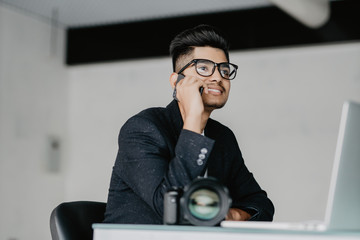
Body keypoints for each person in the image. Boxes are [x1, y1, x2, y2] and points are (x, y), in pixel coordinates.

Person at [103, 25, 274, 224]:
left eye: (224, 70)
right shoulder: (143, 128)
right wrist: (194, 116)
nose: (218, 77)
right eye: (203, 68)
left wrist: (231, 215)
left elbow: (261, 204)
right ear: (177, 82)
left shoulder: (222, 137)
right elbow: (168, 209)